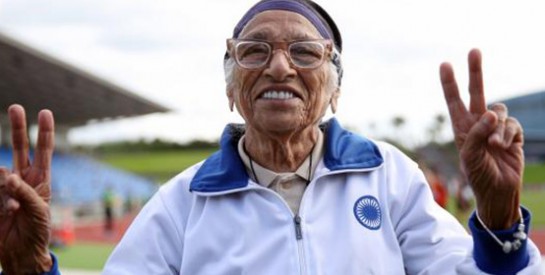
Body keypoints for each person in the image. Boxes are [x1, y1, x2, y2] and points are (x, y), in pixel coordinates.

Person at [0, 0, 542, 273]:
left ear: (333, 87)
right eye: (255, 52)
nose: (280, 67)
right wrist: (29, 271)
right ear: (232, 86)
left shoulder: (390, 175)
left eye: (305, 52)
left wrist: (498, 225)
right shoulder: (182, 203)